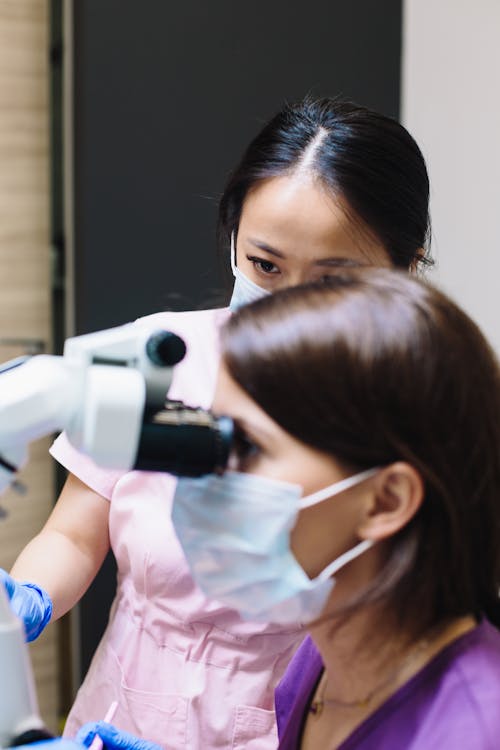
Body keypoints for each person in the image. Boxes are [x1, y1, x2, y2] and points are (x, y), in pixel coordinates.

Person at [0, 97, 432, 748]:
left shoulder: (418, 423)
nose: (286, 301)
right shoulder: (160, 357)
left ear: (405, 271)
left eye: (332, 279)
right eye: (266, 265)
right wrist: (26, 601)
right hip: (118, 710)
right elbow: (75, 535)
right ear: (233, 238)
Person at [169, 270, 500, 749]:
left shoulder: (473, 729)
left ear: (386, 500)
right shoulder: (325, 651)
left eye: (247, 443)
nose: (209, 471)